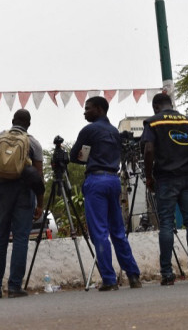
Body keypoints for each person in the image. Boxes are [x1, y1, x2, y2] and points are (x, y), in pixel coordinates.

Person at [70, 96, 141, 291]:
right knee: (117, 230)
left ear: (100, 109)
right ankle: (133, 276)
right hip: (113, 180)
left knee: (99, 232)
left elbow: (74, 156)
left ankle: (109, 279)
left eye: (88, 108)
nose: (85, 112)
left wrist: (90, 157)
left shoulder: (89, 130)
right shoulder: (115, 132)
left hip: (96, 181)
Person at [142, 92, 188, 285]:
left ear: (156, 107)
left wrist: (149, 175)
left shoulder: (152, 122)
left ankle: (167, 274)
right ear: (171, 104)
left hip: (166, 179)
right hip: (187, 177)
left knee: (167, 224)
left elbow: (149, 149)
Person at [0, 109, 45, 299]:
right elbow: (38, 176)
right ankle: (14, 287)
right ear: (29, 124)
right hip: (24, 193)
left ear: (12, 121)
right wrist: (40, 204)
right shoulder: (33, 143)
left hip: (1, 190)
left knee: (0, 239)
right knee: (20, 239)